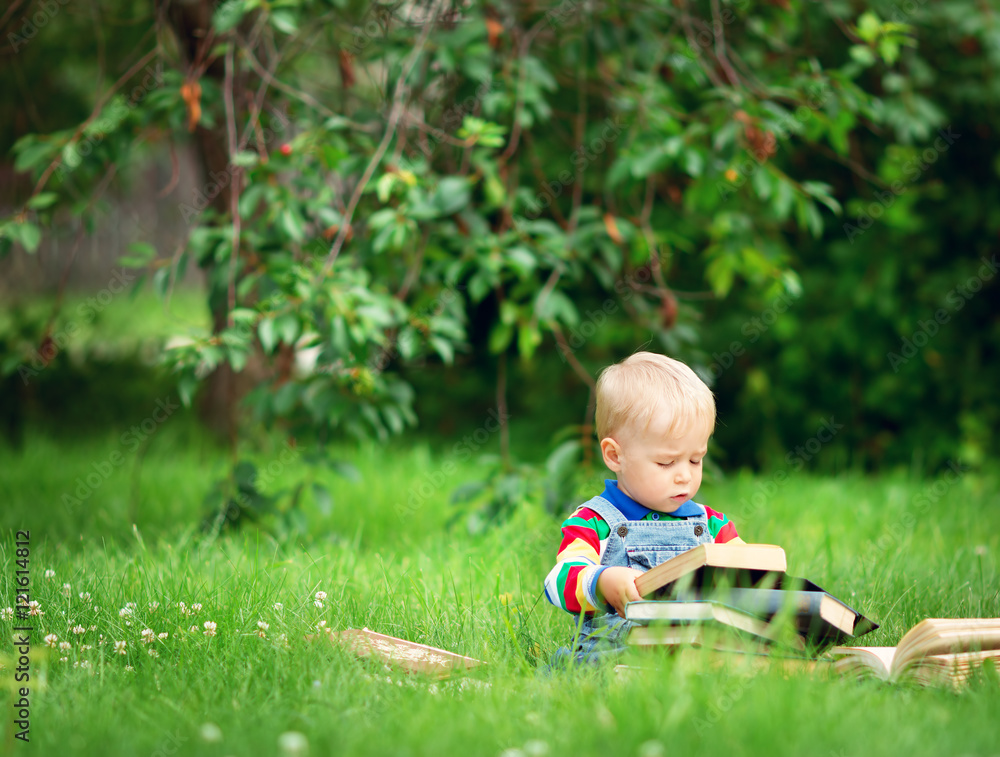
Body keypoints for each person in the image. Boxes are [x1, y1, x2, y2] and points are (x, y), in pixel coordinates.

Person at [543, 351, 744, 664]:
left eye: (695, 459)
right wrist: (601, 581)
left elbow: (752, 576)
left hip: (697, 649)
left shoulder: (713, 525)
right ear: (614, 456)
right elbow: (558, 581)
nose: (684, 475)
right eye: (666, 462)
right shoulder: (595, 522)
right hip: (617, 653)